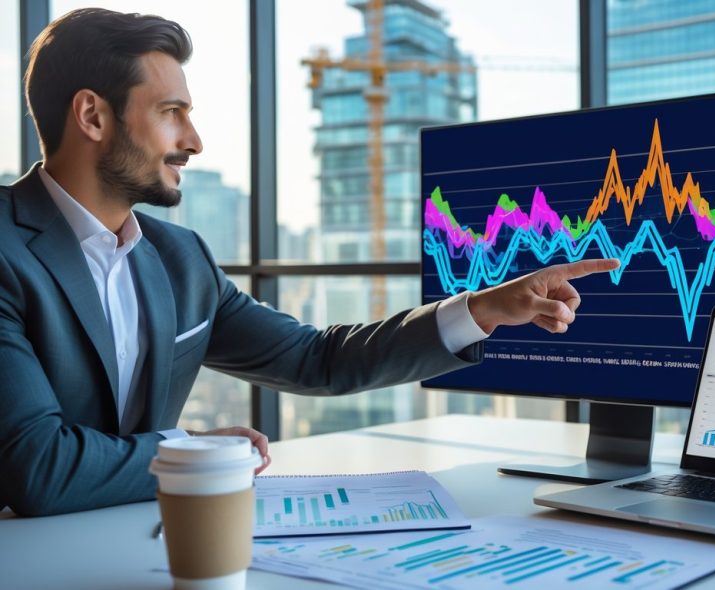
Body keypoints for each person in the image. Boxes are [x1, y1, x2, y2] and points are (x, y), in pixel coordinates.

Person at [0, 8, 619, 517]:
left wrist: (481, 309)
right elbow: (37, 468)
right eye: (171, 112)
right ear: (92, 116)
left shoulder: (178, 258)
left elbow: (315, 359)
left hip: (148, 541)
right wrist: (192, 451)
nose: (193, 139)